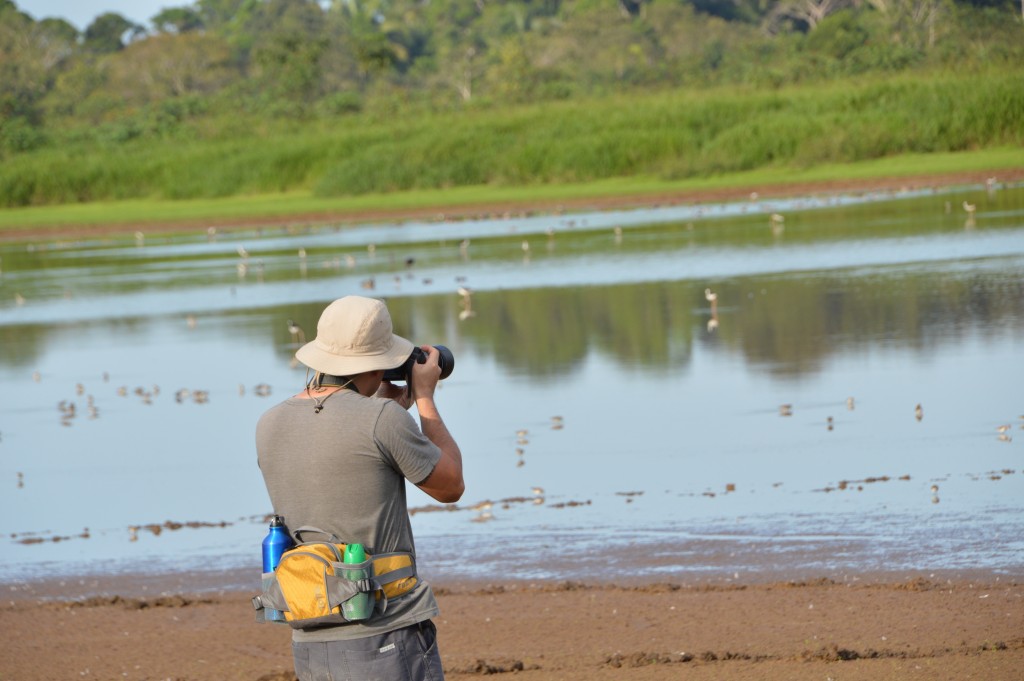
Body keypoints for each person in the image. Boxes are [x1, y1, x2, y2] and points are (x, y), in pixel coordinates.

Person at [256, 295, 464, 681]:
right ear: (379, 363)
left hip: (310, 633)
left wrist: (381, 413)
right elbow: (450, 486)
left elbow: (340, 451)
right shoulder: (382, 419)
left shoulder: (269, 423)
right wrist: (424, 400)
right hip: (385, 631)